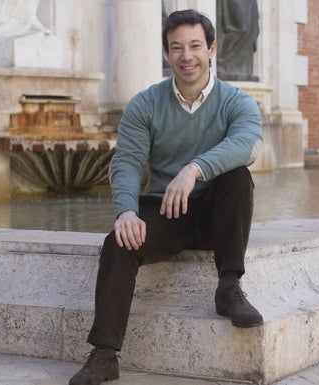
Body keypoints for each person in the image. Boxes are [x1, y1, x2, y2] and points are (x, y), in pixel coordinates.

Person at [69, 9, 264, 385]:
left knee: (238, 176)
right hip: (165, 212)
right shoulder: (145, 104)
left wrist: (193, 169)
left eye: (194, 46)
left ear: (211, 49)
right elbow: (126, 161)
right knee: (119, 244)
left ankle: (228, 287)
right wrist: (125, 211)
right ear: (167, 54)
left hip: (216, 214)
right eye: (177, 48)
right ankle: (105, 354)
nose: (186, 56)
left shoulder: (236, 101)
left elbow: (247, 146)